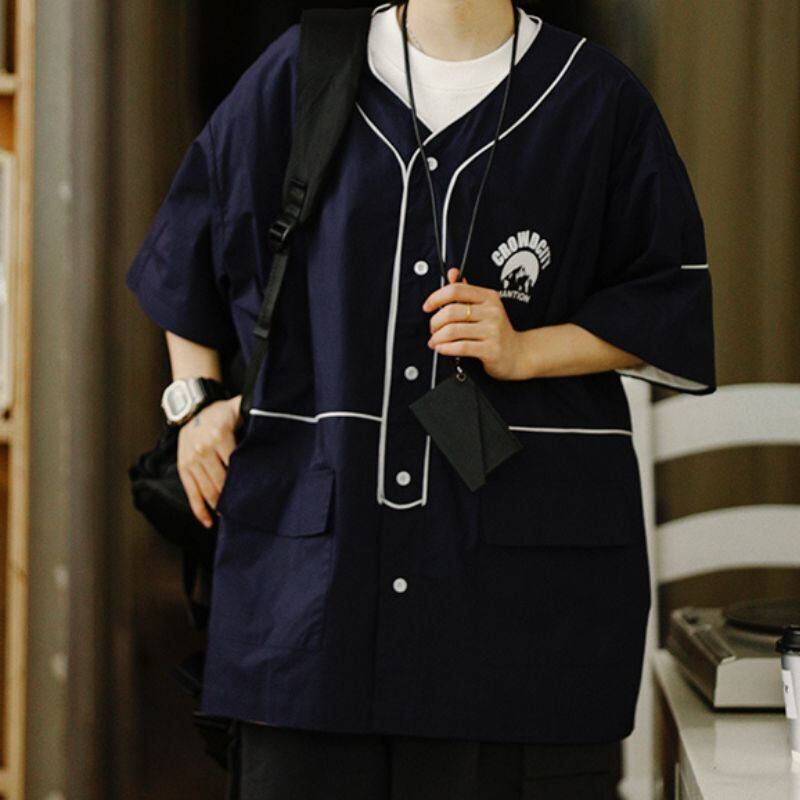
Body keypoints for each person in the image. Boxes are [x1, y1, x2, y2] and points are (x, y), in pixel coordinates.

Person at [125, 0, 716, 797]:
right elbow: (191, 239)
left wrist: (526, 349)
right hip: (309, 607)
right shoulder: (303, 71)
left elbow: (668, 302)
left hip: (514, 622)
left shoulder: (597, 100)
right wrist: (195, 403)